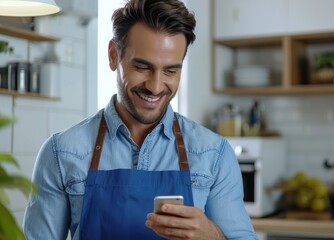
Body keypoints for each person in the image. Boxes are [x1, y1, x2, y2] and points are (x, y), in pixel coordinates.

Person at [23, 0, 258, 239]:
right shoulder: (61, 152)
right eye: (143, 67)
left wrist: (213, 235)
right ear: (114, 55)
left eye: (170, 71)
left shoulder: (213, 153)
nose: (155, 87)